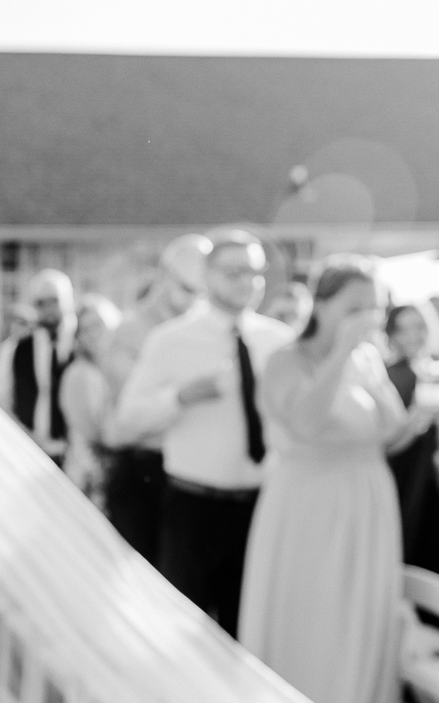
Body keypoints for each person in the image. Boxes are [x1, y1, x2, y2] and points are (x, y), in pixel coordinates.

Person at [238, 257, 410, 703]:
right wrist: (339, 355)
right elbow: (305, 425)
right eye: (355, 306)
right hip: (307, 506)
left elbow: (392, 430)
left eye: (373, 308)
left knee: (358, 616)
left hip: (367, 502)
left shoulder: (369, 360)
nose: (367, 317)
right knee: (309, 613)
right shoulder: (284, 359)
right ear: (323, 304)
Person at [115, 230, 292, 634]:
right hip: (194, 511)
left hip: (261, 509)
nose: (247, 282)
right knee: (182, 633)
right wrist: (181, 397)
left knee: (248, 629)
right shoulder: (170, 340)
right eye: (234, 272)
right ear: (208, 276)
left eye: (255, 273)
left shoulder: (279, 342)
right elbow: (127, 421)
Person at [100, 235, 211, 562]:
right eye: (187, 290)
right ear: (163, 275)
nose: (195, 301)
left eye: (202, 293)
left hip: (188, 474)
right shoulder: (130, 332)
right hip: (144, 472)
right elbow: (133, 411)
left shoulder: (201, 332)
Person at [383, 304, 439, 573]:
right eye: (403, 328)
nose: (412, 335)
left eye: (419, 326)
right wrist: (419, 411)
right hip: (404, 475)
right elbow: (389, 442)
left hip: (435, 475)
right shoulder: (388, 375)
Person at [0, 269, 76, 461]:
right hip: (30, 452)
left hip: (75, 454)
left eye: (54, 300)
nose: (48, 308)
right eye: (41, 303)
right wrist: (22, 436)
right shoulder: (15, 348)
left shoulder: (80, 342)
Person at [60, 294, 120, 509]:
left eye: (98, 325)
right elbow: (94, 434)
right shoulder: (79, 375)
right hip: (91, 480)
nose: (93, 334)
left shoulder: (112, 369)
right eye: (85, 330)